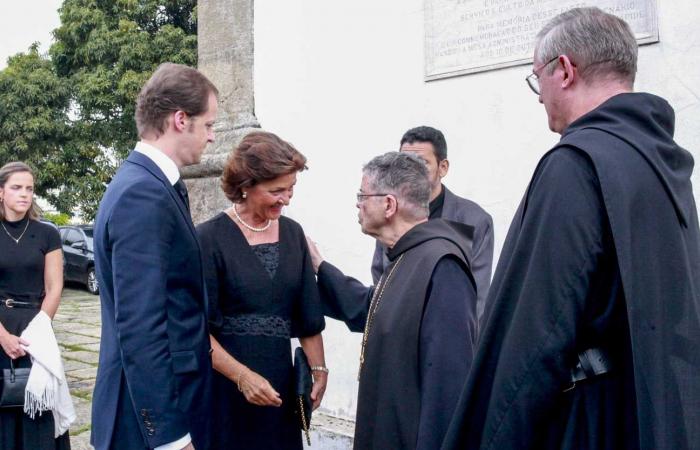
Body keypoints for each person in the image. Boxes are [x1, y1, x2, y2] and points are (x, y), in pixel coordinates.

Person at [442, 7, 700, 450]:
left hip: (587, 422)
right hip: (647, 409)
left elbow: (536, 330)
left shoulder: (575, 164)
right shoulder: (662, 161)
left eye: (535, 77)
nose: (538, 94)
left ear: (564, 69)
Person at [306, 151, 477, 450]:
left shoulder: (441, 265)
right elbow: (374, 311)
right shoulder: (406, 257)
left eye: (362, 195)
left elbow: (447, 387)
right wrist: (321, 268)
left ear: (388, 204)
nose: (357, 204)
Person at [91, 63, 218, 450]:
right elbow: (141, 325)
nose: (213, 138)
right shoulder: (142, 194)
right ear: (181, 120)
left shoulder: (152, 183)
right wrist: (170, 437)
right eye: (209, 125)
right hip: (146, 421)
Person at [196, 131, 327, 449]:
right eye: (276, 190)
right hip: (227, 388)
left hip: (279, 390)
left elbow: (307, 314)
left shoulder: (294, 234)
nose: (287, 198)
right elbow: (197, 330)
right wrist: (242, 377)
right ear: (245, 186)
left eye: (291, 188)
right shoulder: (208, 239)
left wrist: (319, 369)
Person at [371, 126, 493, 318]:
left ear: (442, 167)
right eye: (404, 163)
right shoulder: (390, 212)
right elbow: (380, 281)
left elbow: (477, 299)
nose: (411, 171)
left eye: (422, 163)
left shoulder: (474, 220)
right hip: (399, 336)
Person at [0, 161, 70, 449]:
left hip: (36, 328)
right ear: (1, 192)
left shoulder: (47, 233)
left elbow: (55, 287)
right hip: (0, 328)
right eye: (16, 187)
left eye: (29, 188)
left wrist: (39, 329)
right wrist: (2, 337)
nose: (24, 194)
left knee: (38, 410)